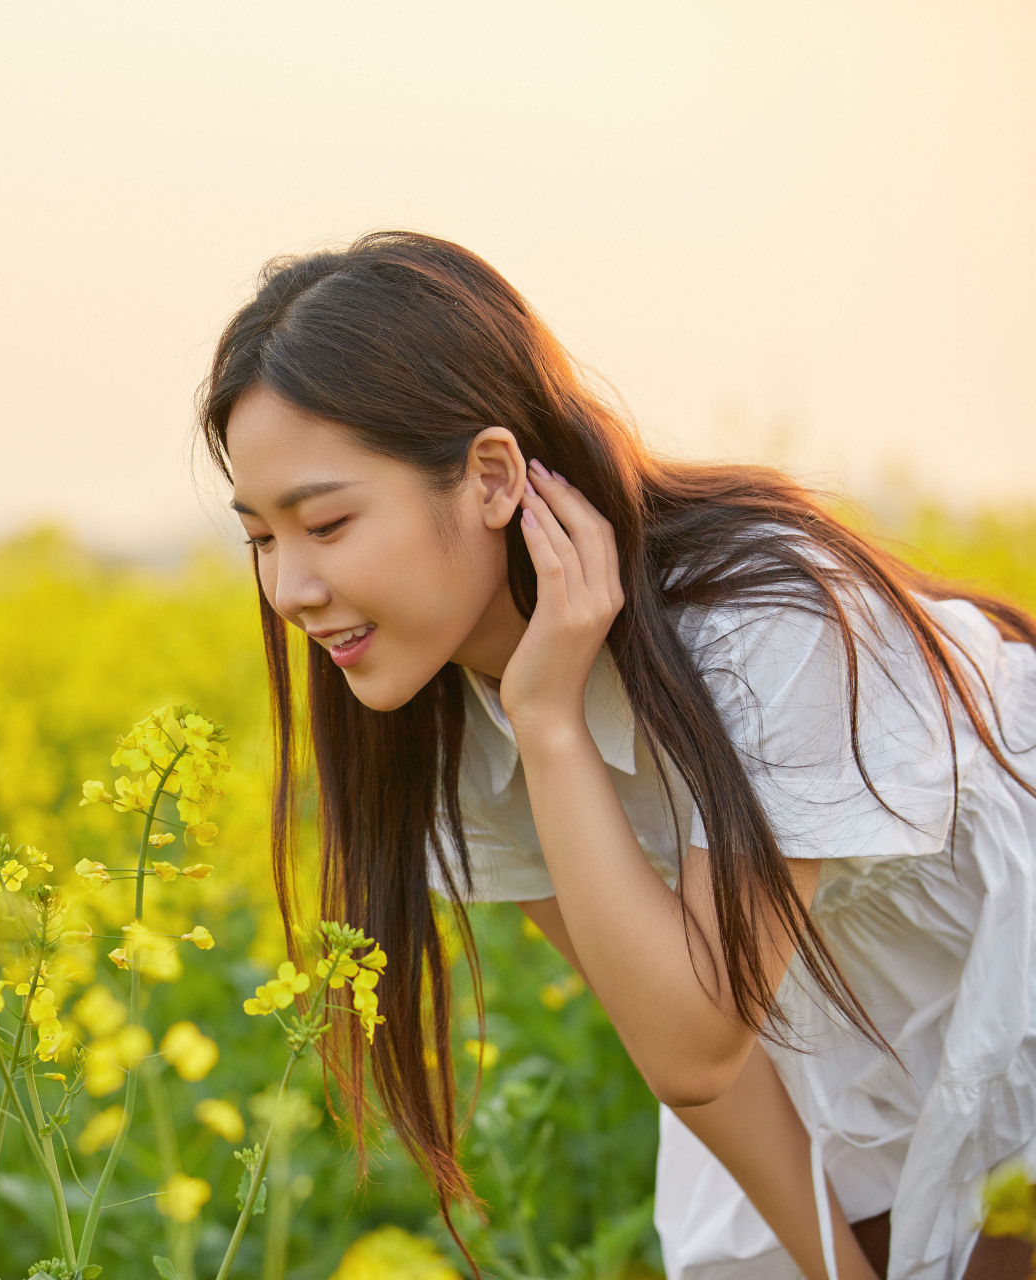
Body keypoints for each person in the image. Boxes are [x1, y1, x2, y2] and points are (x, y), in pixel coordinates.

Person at [198, 231, 1036, 1280]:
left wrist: (550, 722)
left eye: (325, 522)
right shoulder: (440, 716)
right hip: (832, 1054)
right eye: (262, 539)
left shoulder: (763, 621)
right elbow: (684, 1052)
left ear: (492, 476)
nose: (290, 588)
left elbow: (696, 1041)